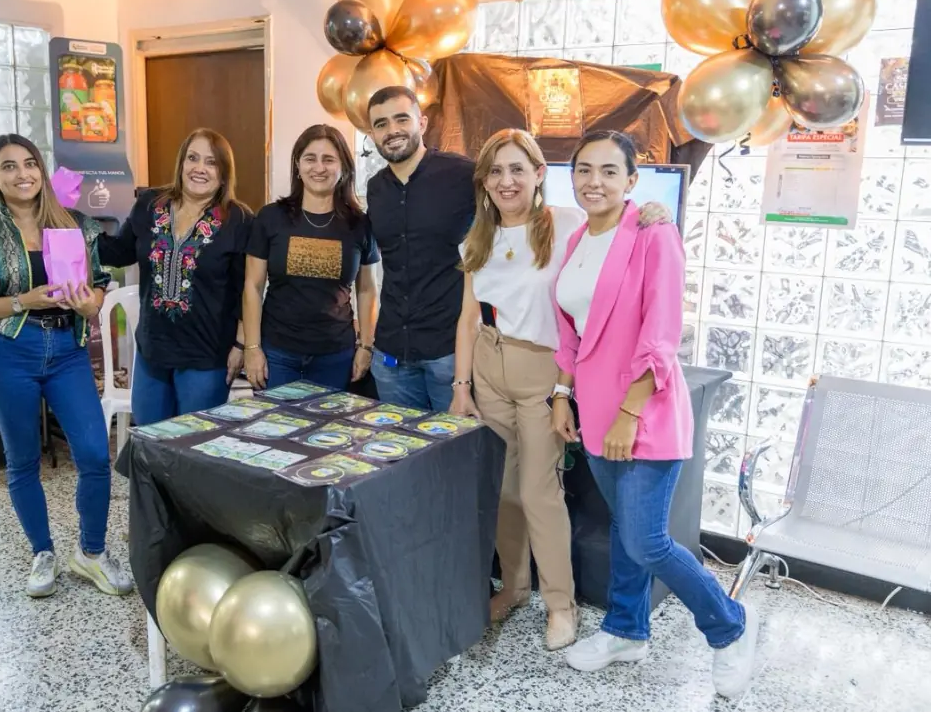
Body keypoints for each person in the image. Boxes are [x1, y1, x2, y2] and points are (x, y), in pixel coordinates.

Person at [550, 130, 758, 698]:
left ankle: (729, 627)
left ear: (632, 180)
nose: (595, 181)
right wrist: (561, 396)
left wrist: (627, 414)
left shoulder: (652, 232)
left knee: (646, 541)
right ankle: (625, 629)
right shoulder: (575, 242)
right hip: (591, 411)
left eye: (609, 171)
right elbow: (570, 334)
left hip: (643, 413)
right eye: (584, 170)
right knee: (625, 529)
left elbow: (661, 334)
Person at [450, 128, 670, 651]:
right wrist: (462, 386)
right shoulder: (477, 237)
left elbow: (622, 226)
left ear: (538, 174)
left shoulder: (567, 223)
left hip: (543, 370)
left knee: (538, 492)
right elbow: (466, 317)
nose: (507, 181)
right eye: (496, 171)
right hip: (489, 361)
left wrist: (652, 212)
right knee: (503, 489)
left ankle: (560, 605)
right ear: (484, 181)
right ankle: (516, 588)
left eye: (517, 169)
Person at [0, 134, 133, 599]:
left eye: (30, 164)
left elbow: (96, 297)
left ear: (42, 171)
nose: (22, 173)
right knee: (23, 459)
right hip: (10, 352)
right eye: (9, 167)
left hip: (66, 351)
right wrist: (19, 302)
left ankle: (91, 552)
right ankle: (42, 552)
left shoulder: (75, 226)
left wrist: (87, 301)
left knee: (93, 454)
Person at [98, 128, 251, 424]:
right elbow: (119, 252)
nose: (199, 168)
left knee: (194, 449)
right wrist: (70, 227)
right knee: (150, 442)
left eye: (211, 162)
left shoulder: (239, 220)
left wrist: (242, 346)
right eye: (192, 158)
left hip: (206, 356)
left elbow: (247, 290)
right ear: (181, 163)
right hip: (152, 352)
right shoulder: (151, 204)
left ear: (224, 172)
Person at [243, 124, 379, 391]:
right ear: (297, 165)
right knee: (279, 431)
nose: (319, 168)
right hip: (279, 353)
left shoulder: (359, 224)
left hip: (336, 355)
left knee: (329, 432)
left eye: (329, 159)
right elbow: (253, 287)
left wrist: (366, 345)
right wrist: (252, 347)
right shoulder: (271, 217)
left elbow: (367, 289)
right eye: (310, 158)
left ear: (343, 168)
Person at [364, 85, 474, 410]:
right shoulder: (376, 189)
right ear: (371, 133)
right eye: (381, 124)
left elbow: (517, 202)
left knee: (454, 455)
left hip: (449, 353)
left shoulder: (462, 175)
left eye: (402, 119)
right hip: (391, 355)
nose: (392, 130)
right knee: (399, 456)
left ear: (422, 123)